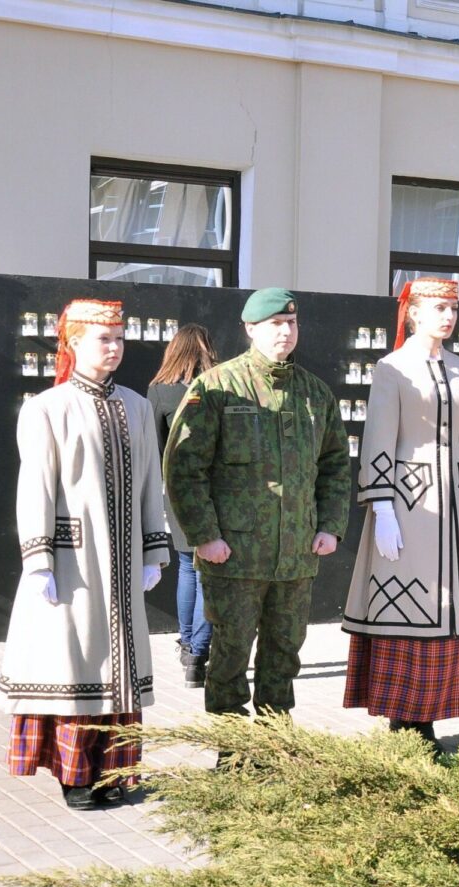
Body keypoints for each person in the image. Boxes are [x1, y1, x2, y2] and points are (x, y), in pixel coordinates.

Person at [0, 299, 169, 810]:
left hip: (124, 558)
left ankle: (115, 770)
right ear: (73, 342)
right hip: (73, 557)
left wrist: (153, 549)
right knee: (75, 662)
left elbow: (151, 481)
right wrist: (39, 560)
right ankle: (75, 777)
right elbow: (35, 487)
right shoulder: (47, 408)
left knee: (120, 666)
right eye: (103, 339)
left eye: (119, 338)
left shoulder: (137, 406)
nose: (114, 348)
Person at [164, 288, 352, 726]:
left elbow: (335, 465)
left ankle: (274, 741)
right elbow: (185, 468)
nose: (285, 332)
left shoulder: (314, 393)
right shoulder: (217, 387)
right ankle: (232, 747)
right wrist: (205, 536)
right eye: (275, 324)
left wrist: (330, 525)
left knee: (284, 653)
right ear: (251, 329)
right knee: (230, 654)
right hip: (234, 555)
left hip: (295, 555)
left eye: (292, 323)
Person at [341, 278, 459, 756]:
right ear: (414, 313)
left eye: (453, 309)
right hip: (408, 502)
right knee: (407, 603)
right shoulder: (393, 367)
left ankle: (429, 716)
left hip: (453, 502)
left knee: (446, 605)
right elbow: (379, 435)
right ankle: (403, 718)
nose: (448, 316)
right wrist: (382, 507)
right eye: (438, 308)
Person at [147, 324, 218, 688]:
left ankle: (189, 645)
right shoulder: (218, 385)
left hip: (176, 493)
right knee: (207, 574)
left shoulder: (159, 390)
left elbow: (156, 449)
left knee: (187, 570)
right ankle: (198, 655)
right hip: (216, 492)